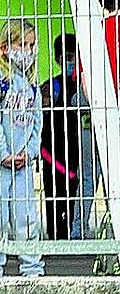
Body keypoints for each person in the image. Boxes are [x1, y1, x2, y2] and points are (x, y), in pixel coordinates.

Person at [0, 19, 44, 278]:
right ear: (5, 48)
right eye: (22, 44)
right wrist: (2, 152)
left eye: (31, 45)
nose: (27, 50)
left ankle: (32, 269)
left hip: (24, 162)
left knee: (26, 218)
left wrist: (30, 151)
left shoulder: (32, 84)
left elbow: (37, 121)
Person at [39, 34, 85, 240]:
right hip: (53, 152)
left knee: (75, 195)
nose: (72, 61)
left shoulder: (85, 84)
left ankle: (73, 232)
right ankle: (54, 235)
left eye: (75, 56)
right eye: (68, 57)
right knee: (53, 196)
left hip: (77, 151)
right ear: (58, 59)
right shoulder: (51, 86)